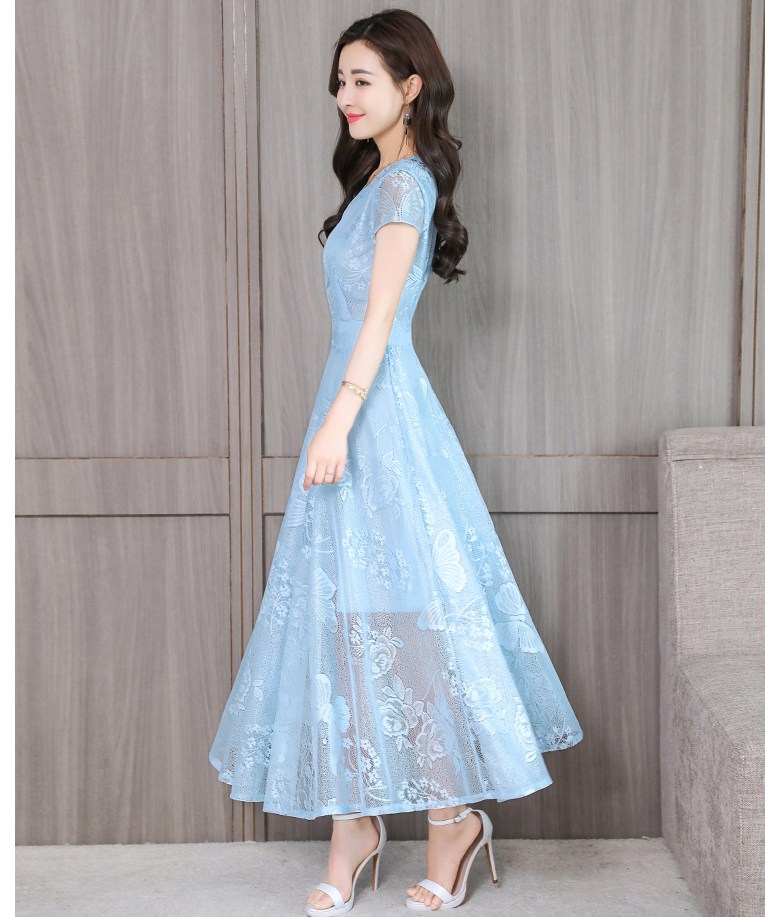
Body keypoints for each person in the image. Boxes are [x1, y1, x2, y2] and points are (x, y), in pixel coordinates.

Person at [209, 9, 583, 914]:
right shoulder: (375, 181)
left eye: (363, 80)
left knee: (408, 620)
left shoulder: (407, 185)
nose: (345, 96)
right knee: (345, 614)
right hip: (347, 413)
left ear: (411, 88)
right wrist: (334, 419)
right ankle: (357, 822)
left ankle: (451, 819)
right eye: (339, 82)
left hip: (376, 416)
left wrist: (339, 420)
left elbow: (379, 320)